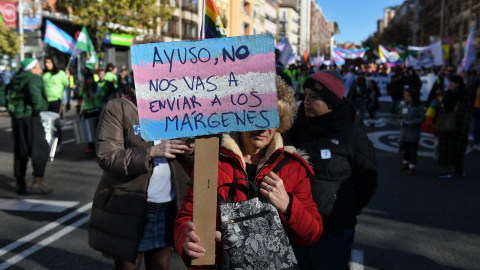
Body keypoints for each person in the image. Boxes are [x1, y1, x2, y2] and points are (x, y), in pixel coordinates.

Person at [174, 76, 323, 269]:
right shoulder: (211, 159)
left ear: (280, 122)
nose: (262, 126)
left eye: (270, 118)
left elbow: (312, 233)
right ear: (239, 116)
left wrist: (288, 205)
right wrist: (187, 241)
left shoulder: (292, 167)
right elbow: (186, 217)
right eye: (255, 116)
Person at [88, 80, 193, 270]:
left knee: (161, 264)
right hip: (131, 206)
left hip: (167, 204)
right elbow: (107, 156)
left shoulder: (177, 105)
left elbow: (189, 156)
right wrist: (150, 152)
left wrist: (190, 150)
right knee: (128, 265)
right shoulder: (119, 107)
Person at [283, 70, 378, 270]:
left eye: (314, 97)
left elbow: (367, 182)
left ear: (331, 103)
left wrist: (345, 209)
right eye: (306, 95)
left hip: (333, 231)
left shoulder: (354, 138)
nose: (306, 101)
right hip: (296, 224)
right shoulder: (294, 129)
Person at [0, 58, 52, 194]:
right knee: (41, 149)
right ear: (32, 69)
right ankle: (38, 180)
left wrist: (8, 106)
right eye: (39, 67)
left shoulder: (15, 78)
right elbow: (34, 91)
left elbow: (2, 91)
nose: (40, 70)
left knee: (20, 150)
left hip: (17, 118)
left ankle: (20, 182)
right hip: (30, 117)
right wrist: (37, 107)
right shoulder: (33, 78)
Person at [435, 75, 472, 178]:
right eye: (450, 82)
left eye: (453, 82)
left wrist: (464, 129)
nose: (450, 84)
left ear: (459, 84)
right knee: (444, 148)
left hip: (459, 126)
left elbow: (466, 114)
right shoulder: (446, 95)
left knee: (458, 149)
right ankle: (444, 170)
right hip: (446, 125)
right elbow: (439, 110)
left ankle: (458, 169)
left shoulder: (464, 97)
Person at [42, 56, 69, 152]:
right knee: (45, 124)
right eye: (45, 62)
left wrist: (67, 77)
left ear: (54, 63)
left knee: (55, 123)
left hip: (56, 101)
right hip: (45, 101)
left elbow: (66, 84)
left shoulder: (60, 73)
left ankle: (58, 143)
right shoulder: (44, 74)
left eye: (49, 62)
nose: (46, 64)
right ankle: (46, 143)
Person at [397, 88, 426, 175]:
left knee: (412, 151)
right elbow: (398, 117)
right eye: (406, 95)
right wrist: (400, 122)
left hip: (413, 132)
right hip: (404, 132)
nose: (407, 97)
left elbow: (423, 118)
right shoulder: (403, 106)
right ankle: (405, 162)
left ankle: (412, 166)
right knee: (405, 149)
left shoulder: (419, 106)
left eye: (409, 96)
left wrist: (413, 122)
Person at [77, 72, 106, 153]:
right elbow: (79, 97)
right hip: (87, 111)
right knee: (88, 130)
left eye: (90, 79)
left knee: (98, 129)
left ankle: (100, 145)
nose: (89, 80)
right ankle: (90, 146)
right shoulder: (83, 89)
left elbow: (103, 96)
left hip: (96, 110)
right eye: (87, 79)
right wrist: (79, 107)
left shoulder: (97, 88)